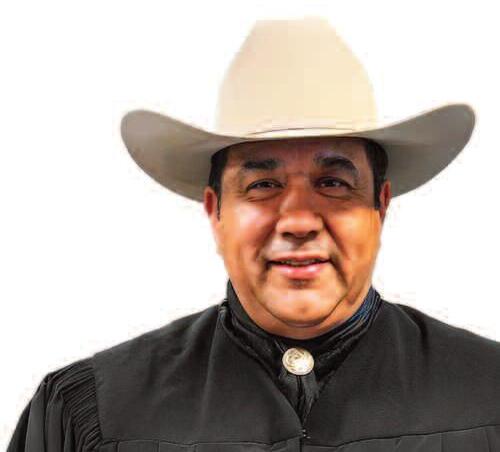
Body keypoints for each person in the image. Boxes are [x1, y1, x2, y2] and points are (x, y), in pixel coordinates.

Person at [7, 17, 500, 452]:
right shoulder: (95, 415)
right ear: (215, 211)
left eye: (333, 183)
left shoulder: (488, 397)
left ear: (381, 207)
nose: (299, 221)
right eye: (263, 185)